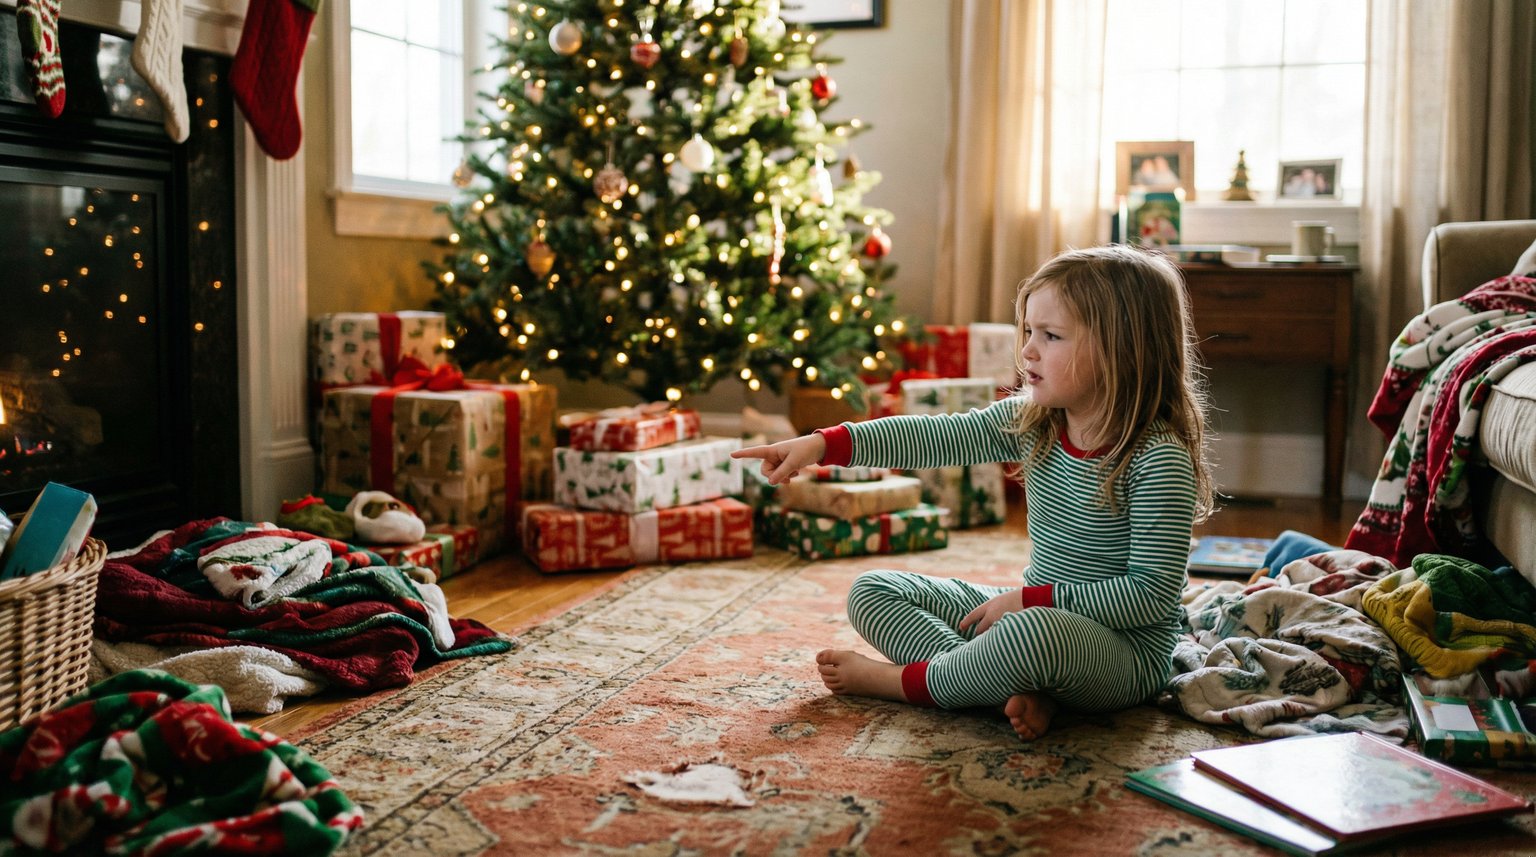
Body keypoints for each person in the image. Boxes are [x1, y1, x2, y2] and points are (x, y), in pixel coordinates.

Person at [732, 245, 1215, 741]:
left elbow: (1150, 598)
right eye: (1028, 331)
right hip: (1030, 616)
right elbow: (933, 436)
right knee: (872, 591)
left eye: (1050, 336)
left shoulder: (1159, 460)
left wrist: (1028, 602)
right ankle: (1003, 687)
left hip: (1123, 652)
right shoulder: (1033, 419)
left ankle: (904, 683)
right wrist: (822, 444)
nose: (1027, 350)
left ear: (1123, 350)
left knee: (1032, 637)